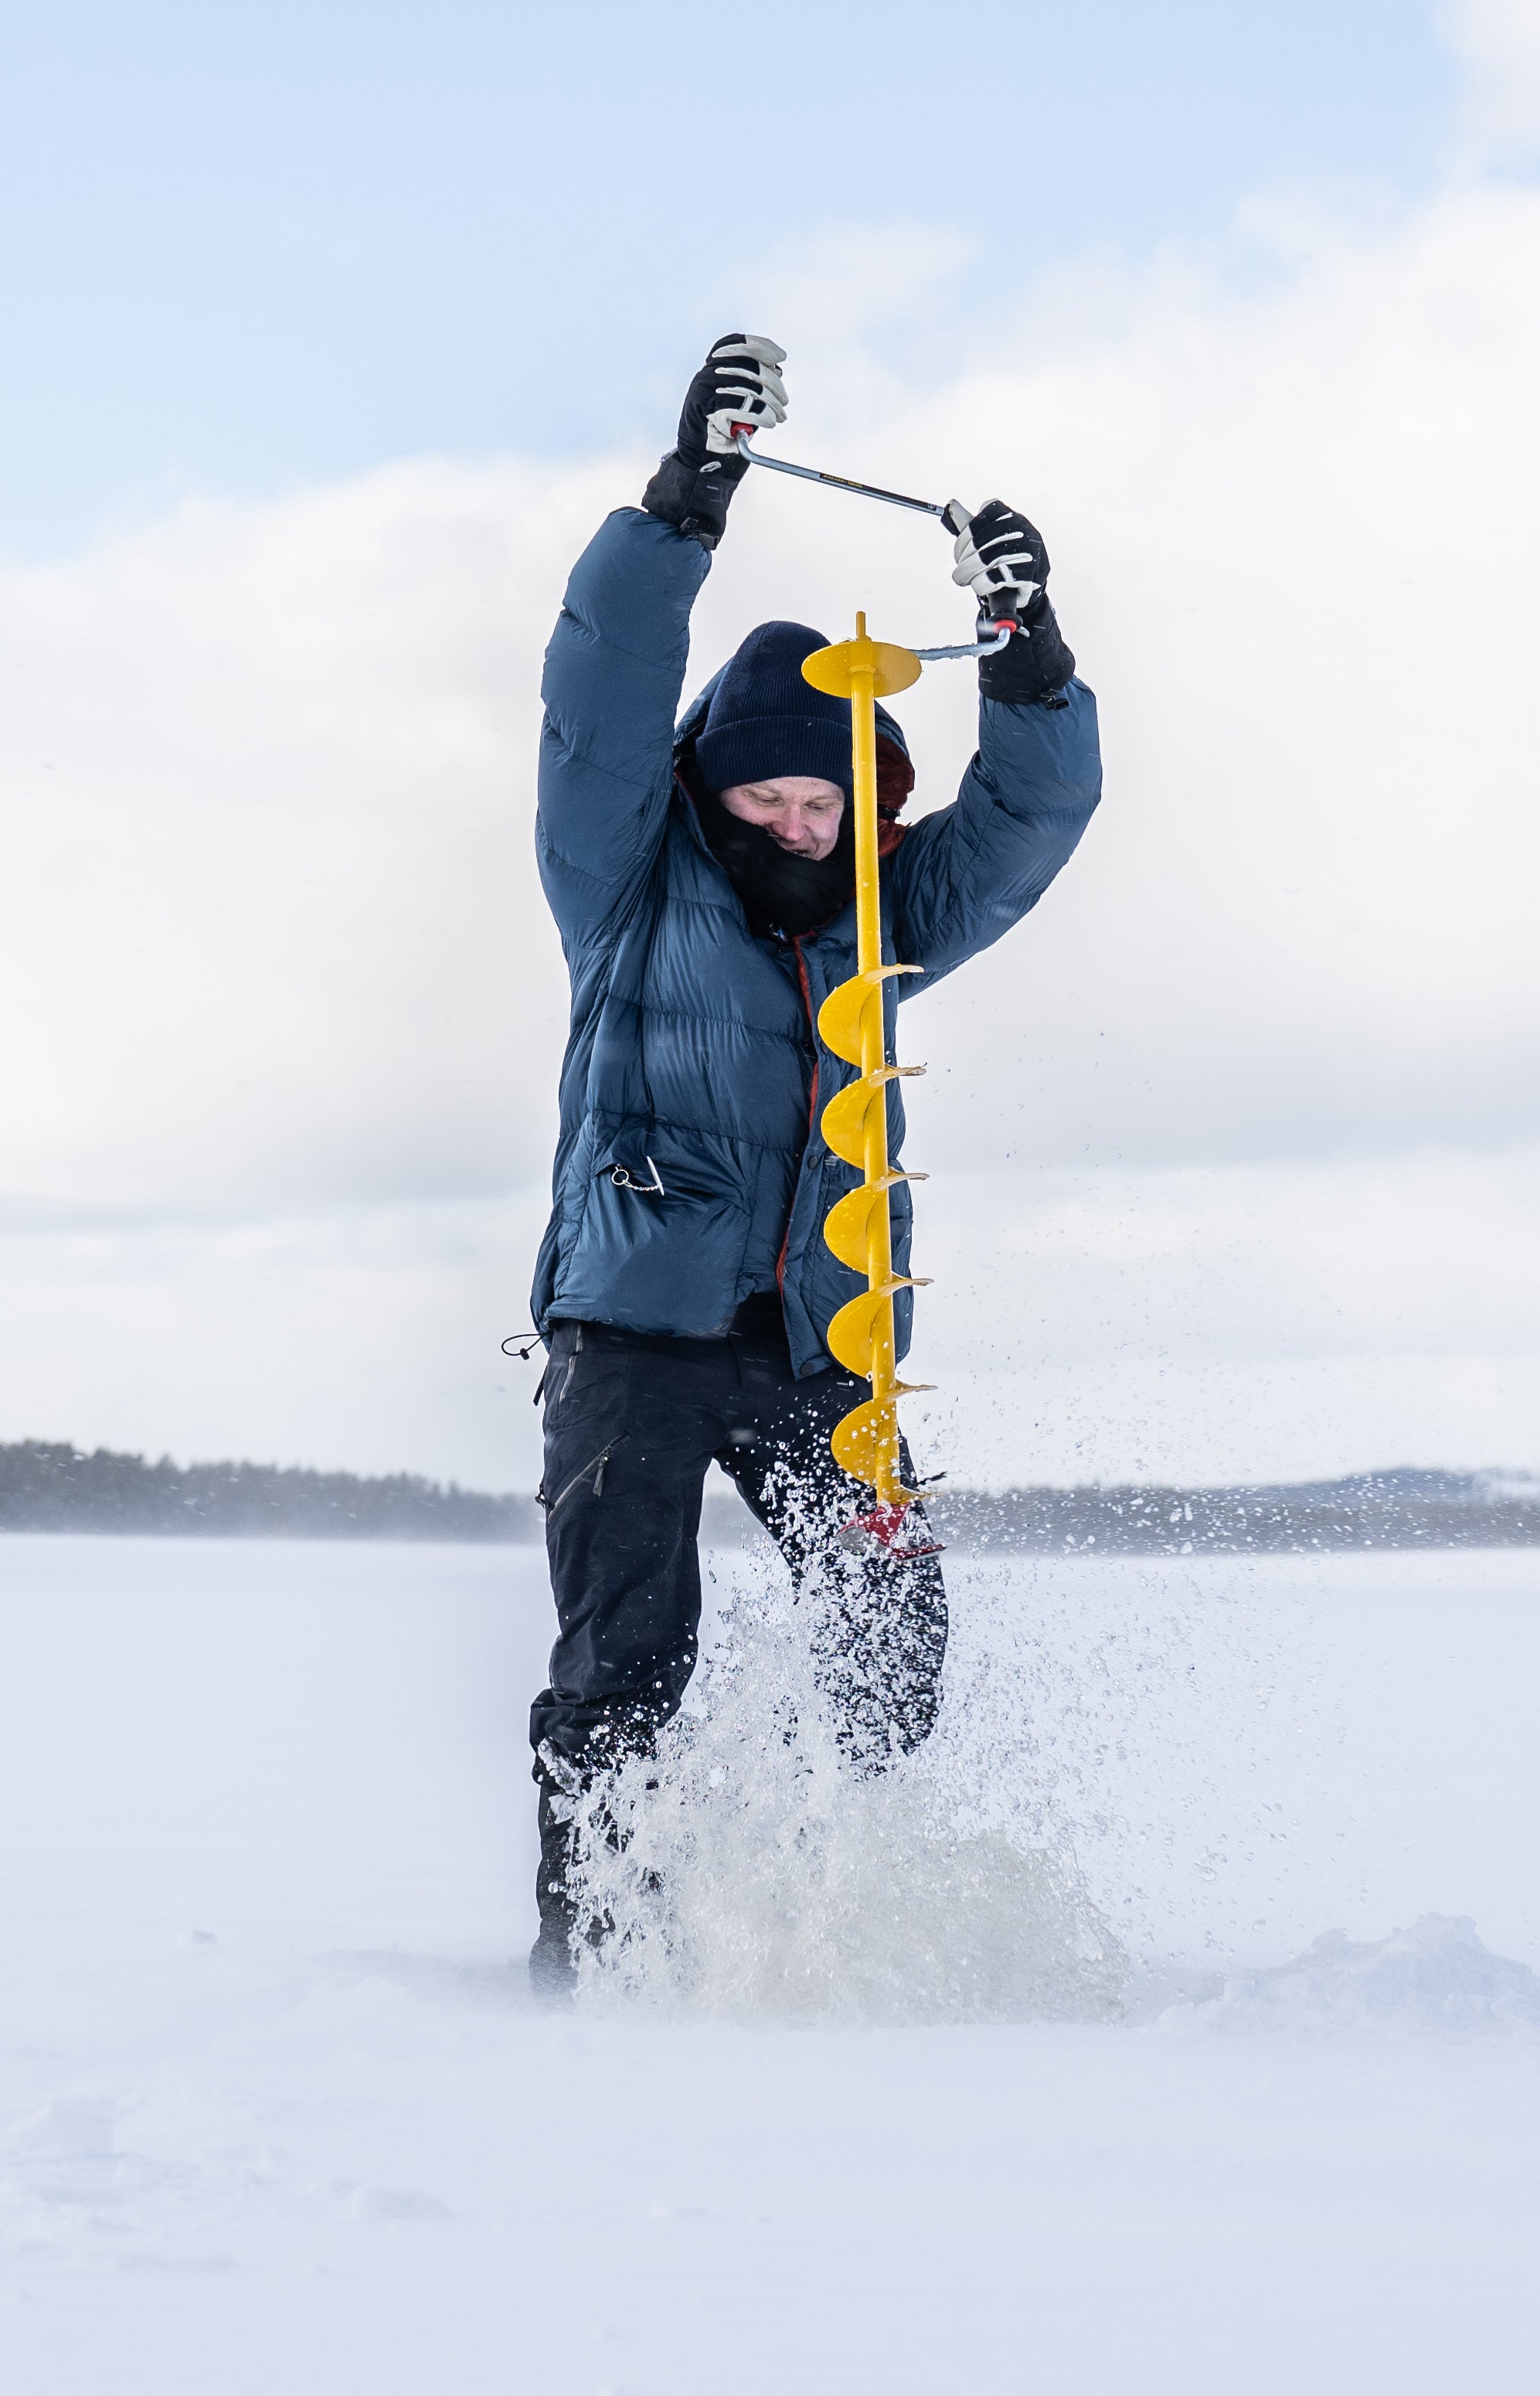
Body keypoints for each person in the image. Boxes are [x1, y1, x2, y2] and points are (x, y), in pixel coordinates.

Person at [520, 332, 1103, 1994]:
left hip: (823, 1350)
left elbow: (1027, 820)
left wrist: (1031, 660)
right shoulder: (623, 880)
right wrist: (684, 504)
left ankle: (832, 1911)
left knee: (891, 1641)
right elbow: (599, 701)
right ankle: (593, 1965)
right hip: (631, 1336)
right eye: (767, 792)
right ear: (714, 786)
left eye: (826, 798)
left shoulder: (885, 917)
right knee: (628, 1663)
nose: (797, 822)